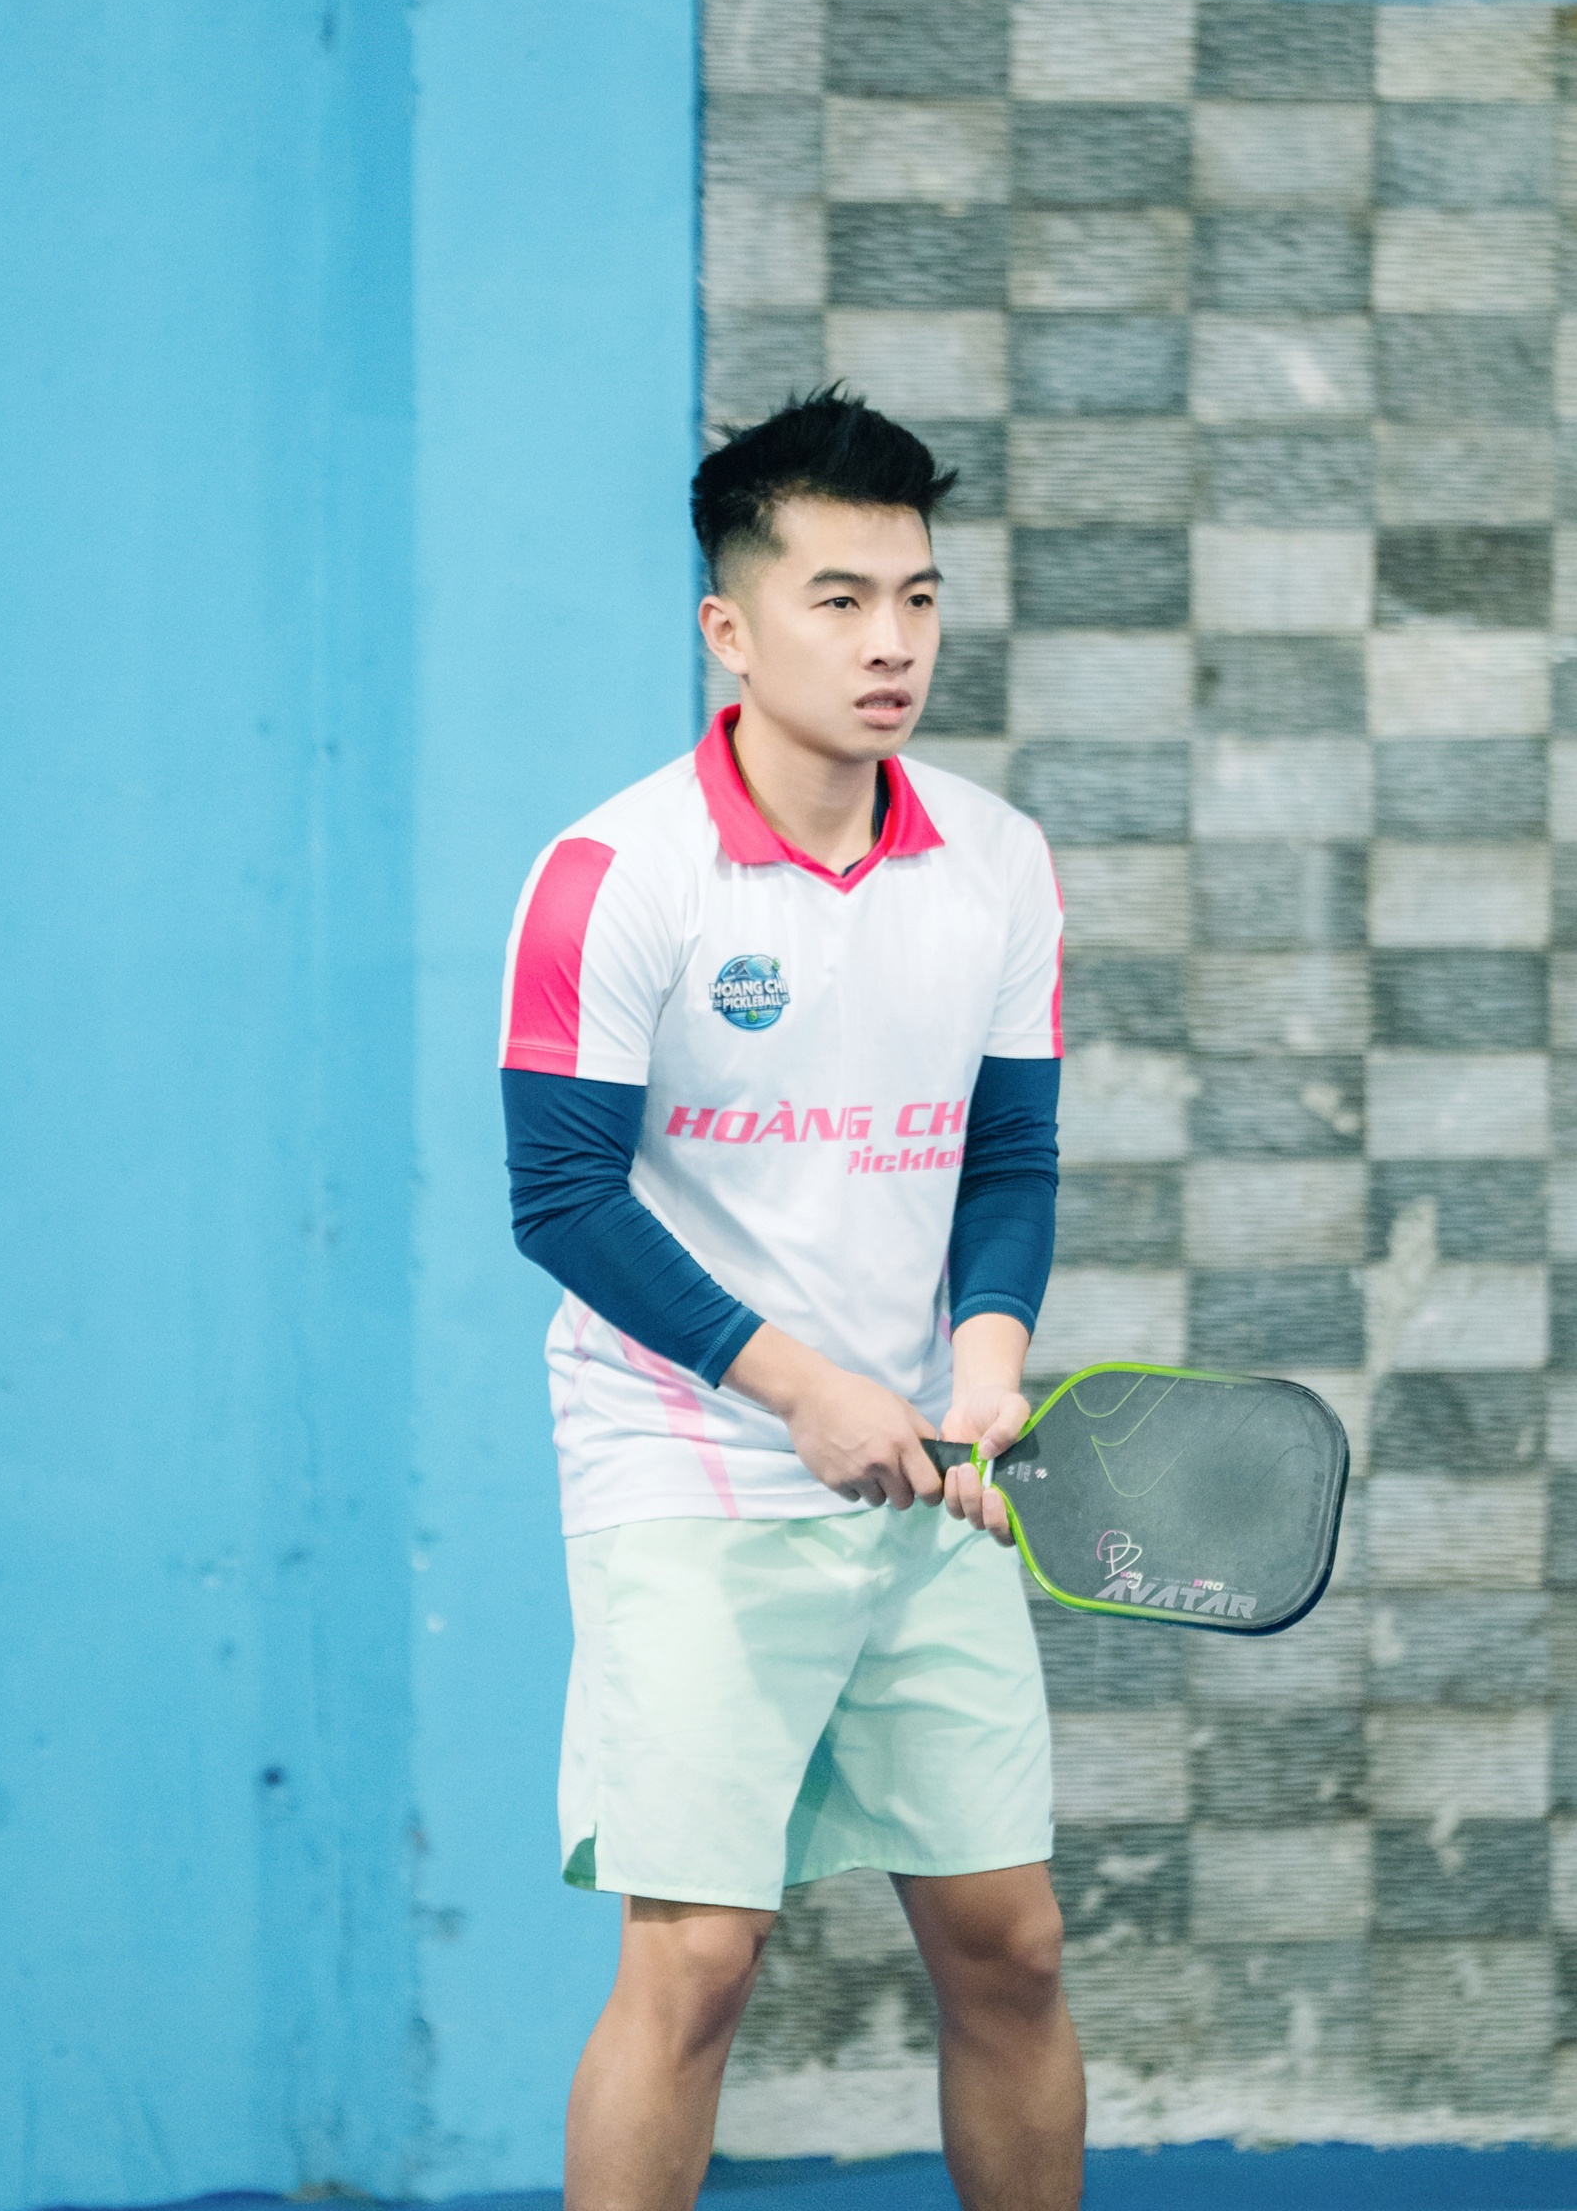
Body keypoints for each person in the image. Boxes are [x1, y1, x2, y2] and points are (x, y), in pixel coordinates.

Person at [499, 387, 1083, 2211]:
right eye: (839, 600)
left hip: (923, 1470)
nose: (892, 641)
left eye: (917, 596)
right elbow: (561, 1198)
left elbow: (1007, 1158)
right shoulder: (611, 877)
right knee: (697, 1963)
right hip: (688, 1467)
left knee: (1012, 1947)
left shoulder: (1000, 860)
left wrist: (983, 1358)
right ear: (730, 631)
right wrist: (800, 1388)